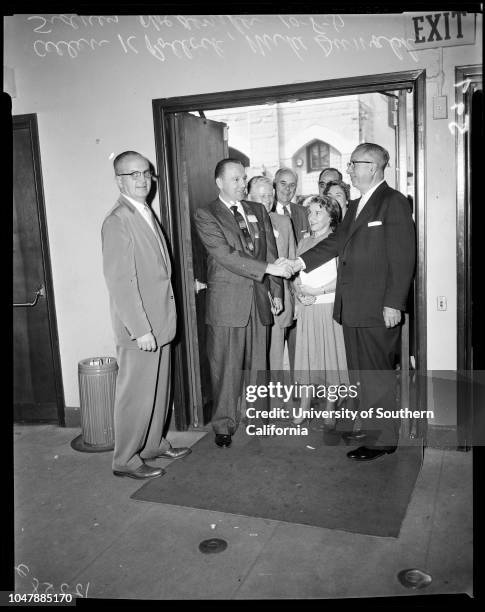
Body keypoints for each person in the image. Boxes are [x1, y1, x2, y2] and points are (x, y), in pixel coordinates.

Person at [277, 143, 416, 461]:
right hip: (352, 306)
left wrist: (394, 303)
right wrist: (299, 263)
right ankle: (369, 425)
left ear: (374, 167)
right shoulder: (355, 206)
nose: (350, 169)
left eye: (355, 164)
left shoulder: (391, 202)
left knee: (376, 373)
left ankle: (383, 439)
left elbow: (403, 255)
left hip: (378, 307)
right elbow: (336, 242)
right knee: (360, 373)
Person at [102, 151, 191, 480]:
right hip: (141, 329)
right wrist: (141, 329)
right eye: (133, 174)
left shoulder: (143, 211)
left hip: (160, 322)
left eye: (146, 173)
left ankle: (152, 445)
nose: (142, 180)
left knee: (158, 392)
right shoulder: (117, 220)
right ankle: (124, 459)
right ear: (119, 181)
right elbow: (120, 282)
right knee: (135, 395)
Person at [194, 159, 290, 448]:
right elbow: (225, 255)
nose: (241, 184)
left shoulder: (258, 210)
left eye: (243, 179)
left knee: (258, 366)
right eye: (235, 179)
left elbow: (270, 253)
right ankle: (224, 424)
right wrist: (269, 271)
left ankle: (258, 420)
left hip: (259, 300)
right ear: (219, 182)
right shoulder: (206, 214)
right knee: (226, 367)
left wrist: (276, 293)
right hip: (227, 303)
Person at [291, 196, 349, 426]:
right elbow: (296, 275)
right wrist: (298, 292)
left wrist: (318, 290)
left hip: (329, 308)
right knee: (308, 359)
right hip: (307, 309)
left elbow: (343, 278)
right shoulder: (303, 241)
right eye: (310, 212)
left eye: (318, 213)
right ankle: (304, 406)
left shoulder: (337, 241)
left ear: (331, 217)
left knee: (330, 358)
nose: (311, 217)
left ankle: (330, 407)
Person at [248, 176, 296, 377]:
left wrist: (296, 298)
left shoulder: (283, 222)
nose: (267, 200)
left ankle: (275, 404)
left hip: (279, 301)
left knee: (275, 360)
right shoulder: (241, 224)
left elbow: (293, 261)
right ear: (249, 197)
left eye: (270, 195)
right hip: (252, 301)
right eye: (261, 196)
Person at [273, 168, 310, 244]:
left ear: (296, 188)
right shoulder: (266, 212)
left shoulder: (305, 213)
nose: (287, 188)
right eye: (283, 183)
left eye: (292, 185)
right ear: (275, 184)